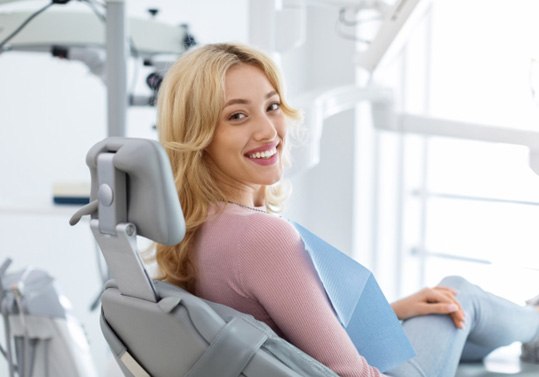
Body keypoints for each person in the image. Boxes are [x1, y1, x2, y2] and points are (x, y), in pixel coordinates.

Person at [154, 43, 539, 377]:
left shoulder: (197, 226)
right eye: (237, 116)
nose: (269, 131)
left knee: (445, 310)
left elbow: (285, 330)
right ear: (198, 135)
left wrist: (394, 312)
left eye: (271, 106)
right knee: (460, 294)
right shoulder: (260, 237)